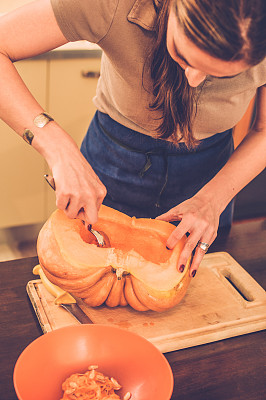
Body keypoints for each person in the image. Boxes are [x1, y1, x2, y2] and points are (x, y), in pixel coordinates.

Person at [0, 0, 265, 277]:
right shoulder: (112, 5)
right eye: (184, 56)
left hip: (214, 175)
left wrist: (213, 200)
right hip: (114, 160)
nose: (195, 80)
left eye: (222, 75)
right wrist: (58, 148)